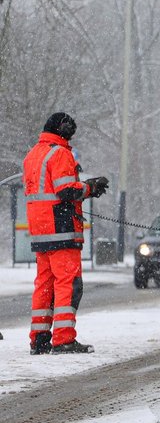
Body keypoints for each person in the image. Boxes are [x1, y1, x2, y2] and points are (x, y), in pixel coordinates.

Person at [23, 113, 109, 355]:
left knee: (44, 286)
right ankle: (64, 340)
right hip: (61, 227)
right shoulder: (59, 153)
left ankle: (39, 340)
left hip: (40, 230)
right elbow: (65, 191)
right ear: (64, 129)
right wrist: (91, 188)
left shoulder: (33, 154)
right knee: (69, 284)